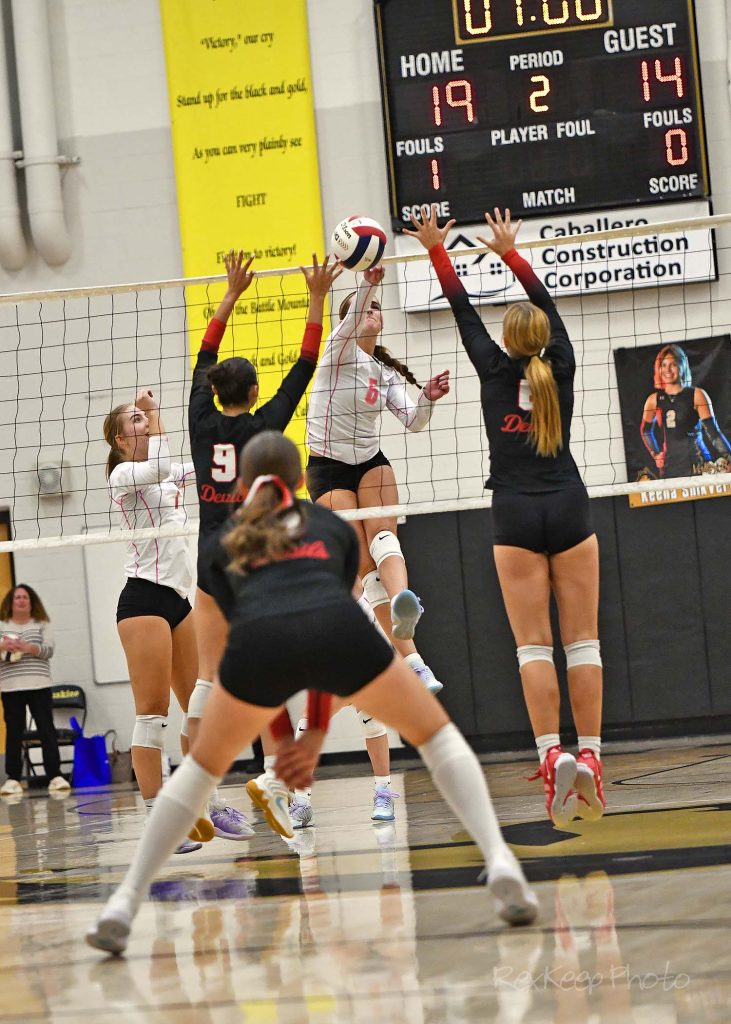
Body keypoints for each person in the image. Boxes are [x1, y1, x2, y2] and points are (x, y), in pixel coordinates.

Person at [86, 431, 537, 955]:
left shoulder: (221, 544)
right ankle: (501, 861)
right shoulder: (331, 526)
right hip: (337, 629)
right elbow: (325, 637)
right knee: (438, 736)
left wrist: (283, 744)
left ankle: (123, 902)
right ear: (300, 480)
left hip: (259, 642)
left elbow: (260, 648)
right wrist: (316, 734)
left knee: (198, 771)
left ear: (240, 487)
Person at [405, 205, 605, 829]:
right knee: (583, 642)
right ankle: (591, 757)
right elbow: (546, 303)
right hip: (568, 502)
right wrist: (512, 252)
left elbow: (462, 310)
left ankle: (551, 756)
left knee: (532, 646)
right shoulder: (562, 365)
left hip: (514, 513)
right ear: (543, 336)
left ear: (509, 341)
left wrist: (438, 249)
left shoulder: (493, 370)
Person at [186, 249, 343, 839]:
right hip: (250, 560)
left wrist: (229, 295)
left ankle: (194, 791)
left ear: (213, 390)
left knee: (207, 678)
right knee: (272, 666)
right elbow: (305, 364)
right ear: (253, 390)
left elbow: (204, 356)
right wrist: (317, 297)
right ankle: (277, 780)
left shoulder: (200, 418)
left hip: (208, 558)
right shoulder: (266, 423)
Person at [305, 265, 450, 694]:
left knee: (384, 539)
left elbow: (413, 421)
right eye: (365, 308)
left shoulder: (383, 373)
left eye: (377, 308)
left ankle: (405, 602)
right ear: (350, 321)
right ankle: (413, 662)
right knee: (361, 565)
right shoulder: (337, 352)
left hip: (370, 461)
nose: (372, 312)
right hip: (328, 468)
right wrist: (368, 282)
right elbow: (353, 316)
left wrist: (427, 398)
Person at [103, 388, 201, 854]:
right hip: (143, 600)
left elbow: (202, 470)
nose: (144, 422)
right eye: (136, 420)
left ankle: (206, 800)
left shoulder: (165, 472)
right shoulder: (123, 474)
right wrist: (157, 413)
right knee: (153, 714)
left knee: (199, 707)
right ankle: (156, 820)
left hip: (179, 600)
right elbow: (159, 467)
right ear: (120, 440)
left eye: (145, 418)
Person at [0, 585, 70, 796]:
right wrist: (4, 647)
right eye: (17, 597)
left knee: (46, 729)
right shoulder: (2, 625)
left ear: (31, 602)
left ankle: (55, 776)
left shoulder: (41, 624)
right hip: (11, 686)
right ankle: (13, 779)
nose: (21, 600)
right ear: (11, 602)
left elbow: (49, 650)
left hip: (39, 684)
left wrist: (27, 647)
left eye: (25, 597)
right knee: (14, 732)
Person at [640, 343, 731, 479]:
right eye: (663, 365)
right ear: (658, 369)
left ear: (682, 366)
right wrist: (656, 454)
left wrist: (729, 457)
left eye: (673, 364)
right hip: (670, 466)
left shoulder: (697, 395)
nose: (667, 369)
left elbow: (714, 434)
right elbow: (645, 430)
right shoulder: (653, 400)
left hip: (698, 463)